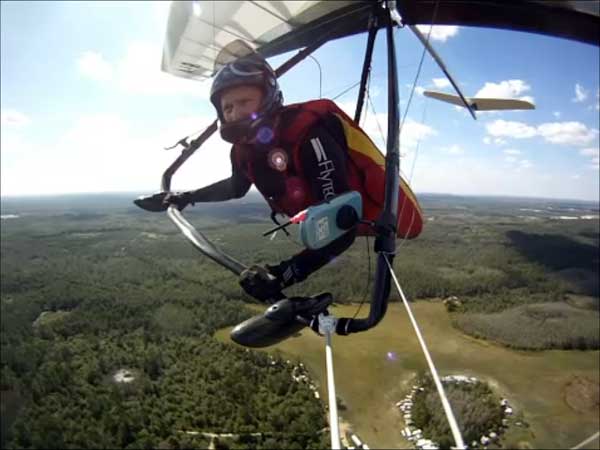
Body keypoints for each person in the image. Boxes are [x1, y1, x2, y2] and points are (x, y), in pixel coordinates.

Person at [163, 51, 422, 302]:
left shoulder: (309, 137)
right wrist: (186, 197)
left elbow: (341, 228)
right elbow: (236, 186)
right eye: (228, 107)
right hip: (329, 215)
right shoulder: (243, 151)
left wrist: (282, 275)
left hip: (362, 211)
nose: (235, 113)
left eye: (244, 102)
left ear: (267, 98)